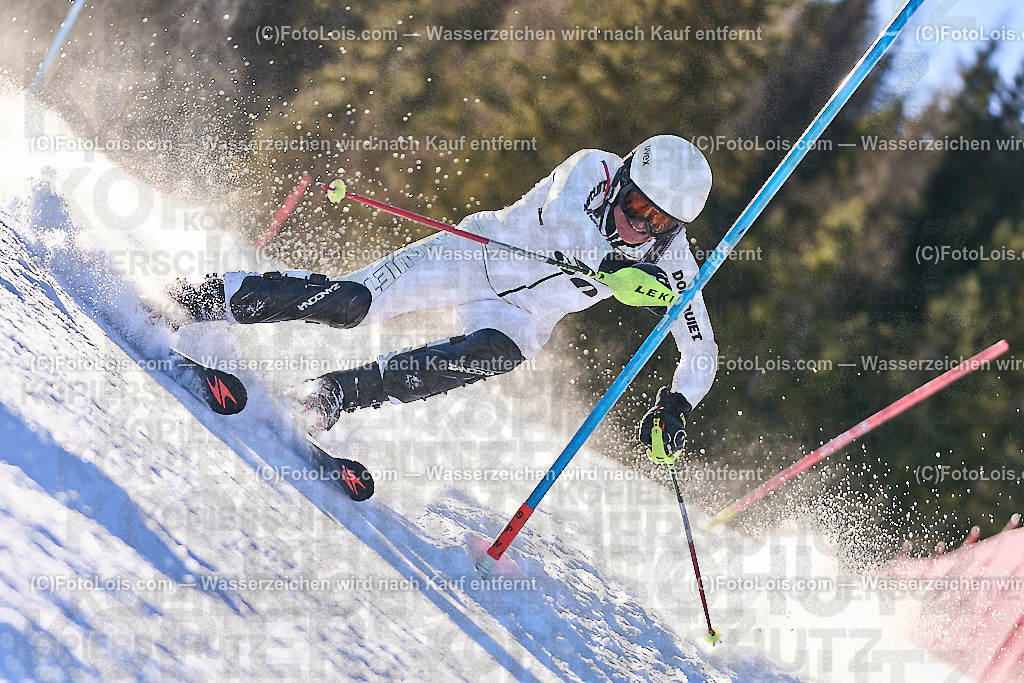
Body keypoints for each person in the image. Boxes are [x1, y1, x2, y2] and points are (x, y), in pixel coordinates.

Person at [162, 135, 719, 461]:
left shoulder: (673, 264)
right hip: (472, 258)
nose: (640, 227)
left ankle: (332, 395)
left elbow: (700, 348)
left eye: (658, 223)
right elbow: (563, 220)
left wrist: (678, 404)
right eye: (637, 207)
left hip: (521, 317)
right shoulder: (591, 168)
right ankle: (208, 297)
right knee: (353, 303)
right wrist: (614, 268)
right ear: (622, 181)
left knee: (492, 355)